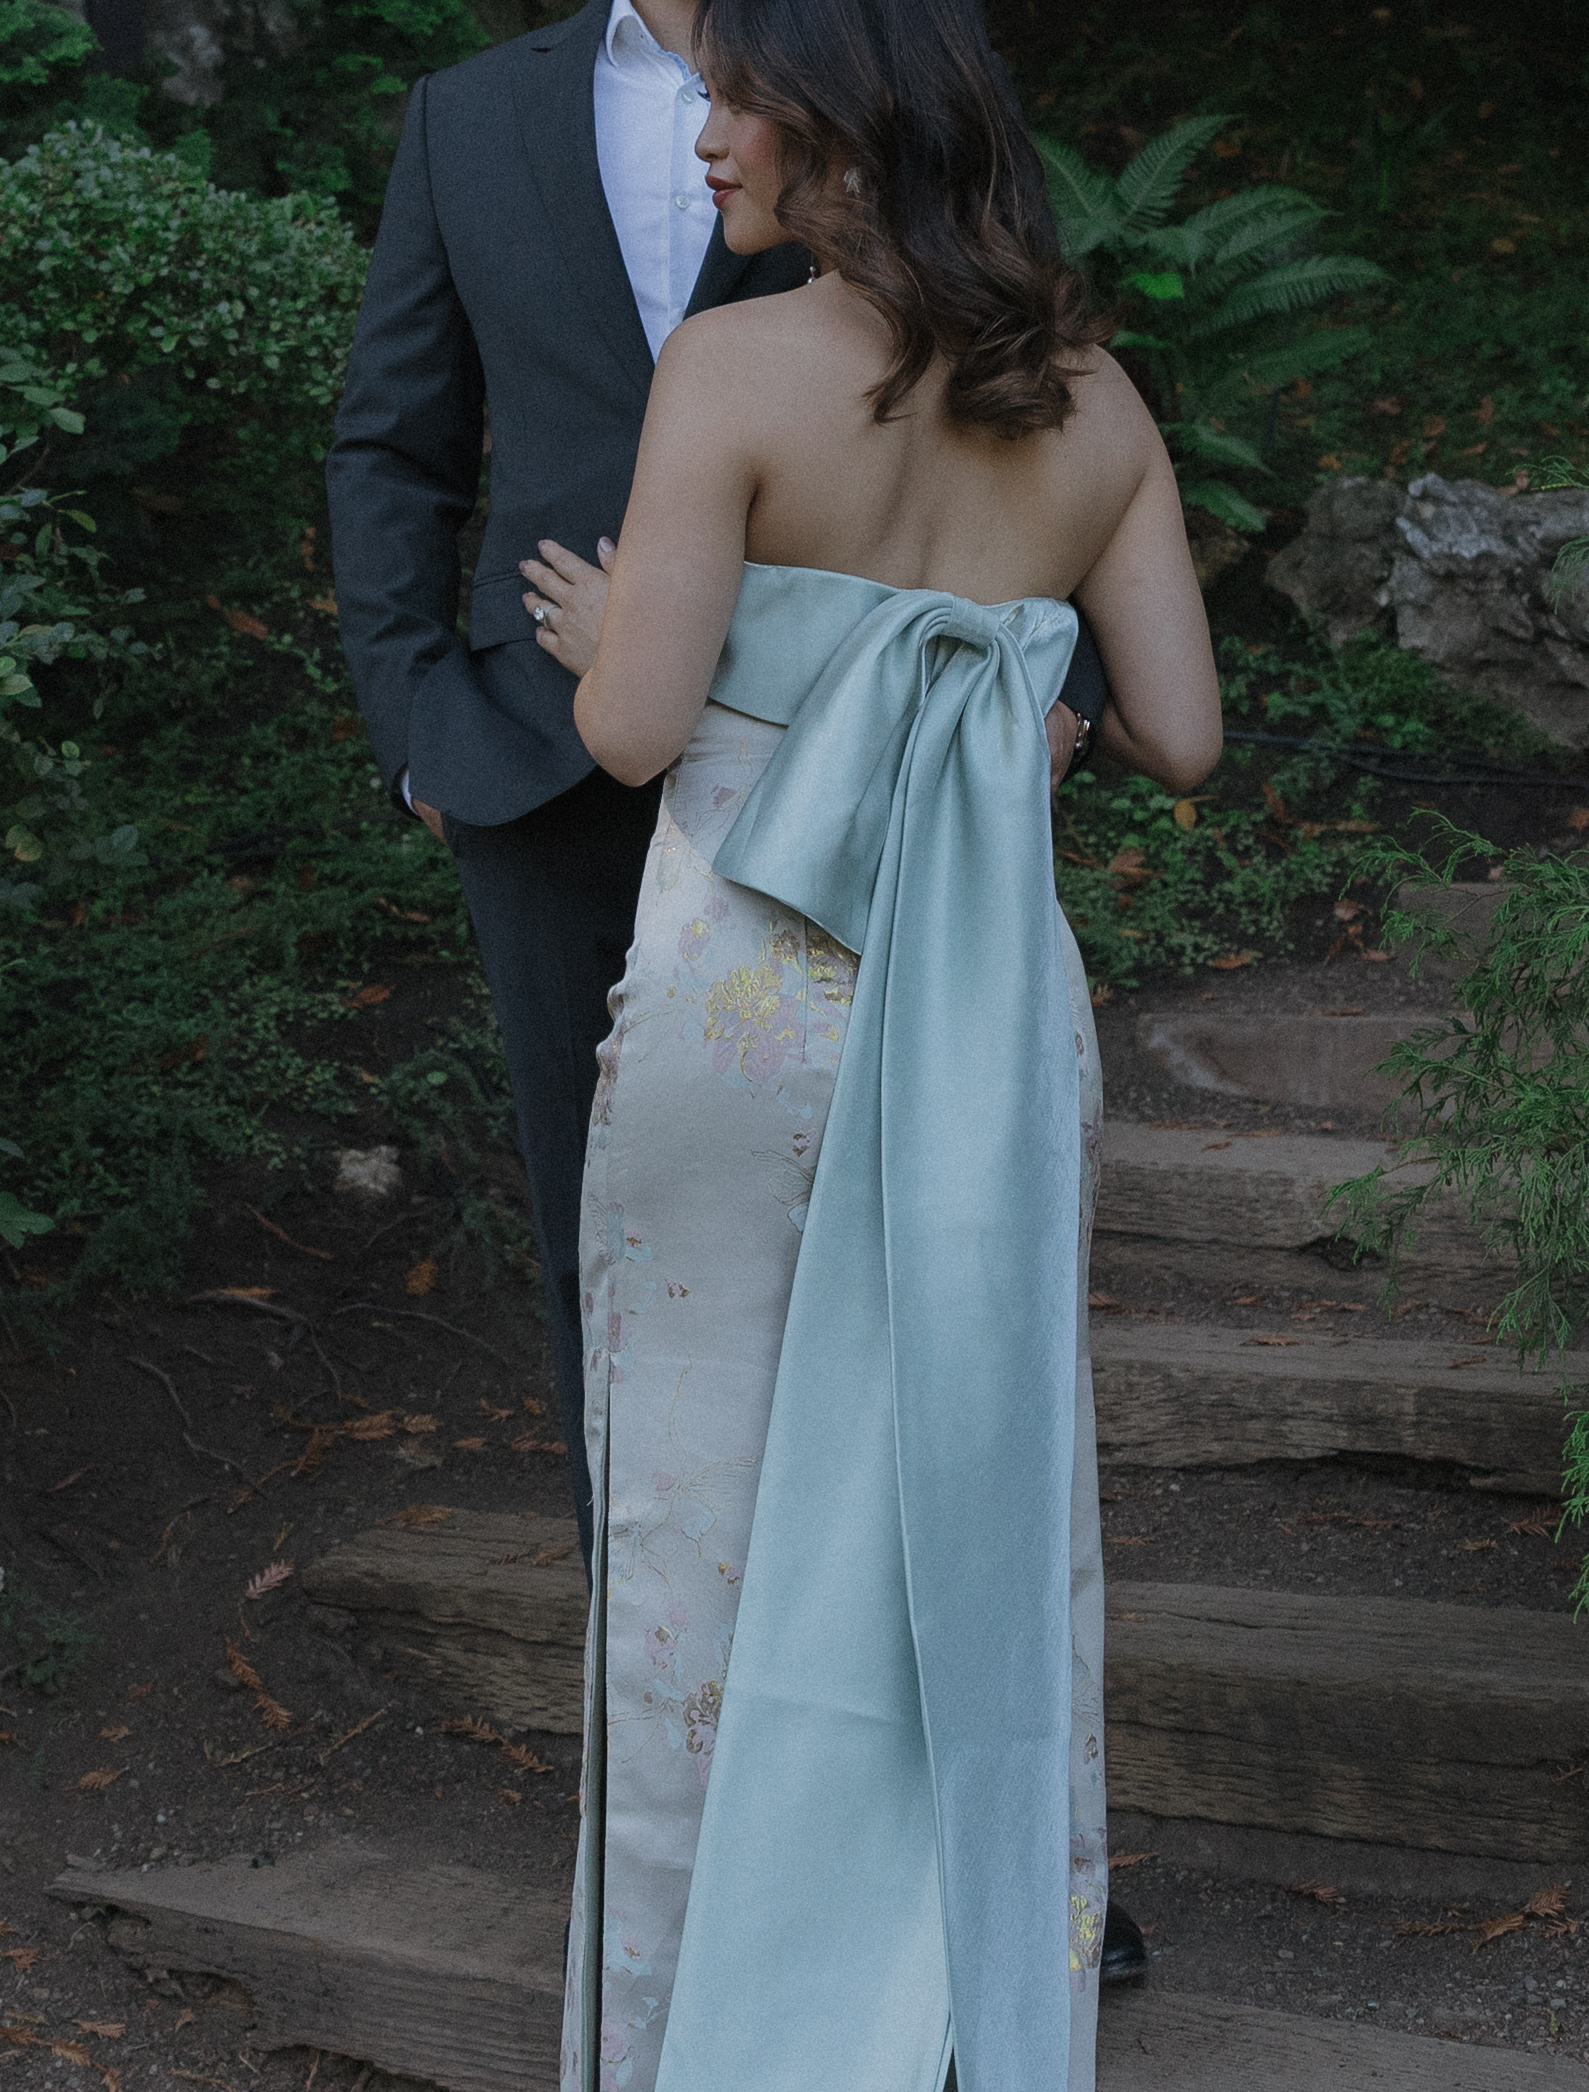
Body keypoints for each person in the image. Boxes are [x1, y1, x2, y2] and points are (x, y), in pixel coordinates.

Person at [527, 1, 1223, 2087]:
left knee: (695, 1544)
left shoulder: (733, 366)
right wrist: (999, 688)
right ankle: (950, 2012)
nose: (711, 135)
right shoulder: (1097, 402)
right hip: (988, 1030)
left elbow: (637, 730)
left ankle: (688, 2042)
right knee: (977, 1510)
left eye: (743, 101)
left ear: (845, 133)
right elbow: (1179, 733)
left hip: (749, 1019)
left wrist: (630, 623)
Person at [325, 0, 1110, 1586]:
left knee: (885, 1235)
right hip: (543, 757)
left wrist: (1051, 694)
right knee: (599, 1249)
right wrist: (417, 728)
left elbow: (1016, 355)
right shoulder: (466, 115)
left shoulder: (884, 53)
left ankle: (848, 1657)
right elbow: (394, 445)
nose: (712, 135)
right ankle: (658, 1675)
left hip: (856, 767)